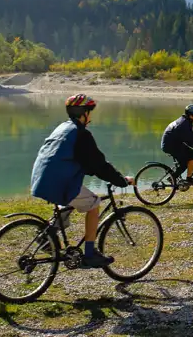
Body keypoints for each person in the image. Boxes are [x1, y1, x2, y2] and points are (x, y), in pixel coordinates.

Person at [30, 94, 134, 268]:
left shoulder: (63, 128)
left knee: (70, 199)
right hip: (58, 181)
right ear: (84, 113)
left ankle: (47, 235)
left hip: (41, 178)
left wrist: (93, 170)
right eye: (89, 112)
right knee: (94, 204)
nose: (90, 116)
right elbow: (99, 165)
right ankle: (90, 254)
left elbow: (79, 160)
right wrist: (122, 181)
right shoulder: (81, 134)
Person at [161, 104, 193, 190]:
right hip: (170, 145)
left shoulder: (186, 122)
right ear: (191, 116)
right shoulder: (183, 124)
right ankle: (176, 178)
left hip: (173, 143)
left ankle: (182, 178)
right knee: (192, 156)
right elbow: (191, 141)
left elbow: (192, 136)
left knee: (189, 157)